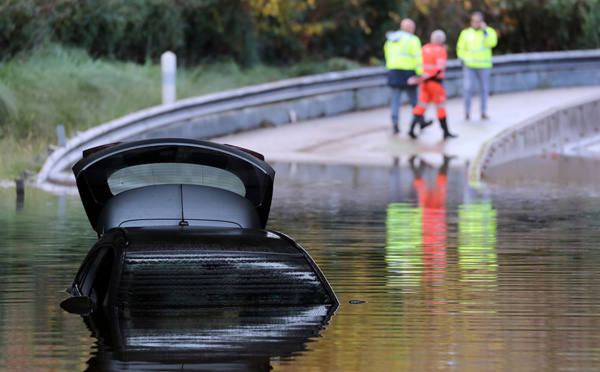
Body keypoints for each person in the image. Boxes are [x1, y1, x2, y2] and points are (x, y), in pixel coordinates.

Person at [408, 30, 456, 140]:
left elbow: (418, 64)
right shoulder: (441, 50)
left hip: (424, 82)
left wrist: (421, 77)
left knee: (421, 106)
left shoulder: (424, 49)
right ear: (442, 40)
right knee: (440, 107)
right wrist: (430, 77)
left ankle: (411, 130)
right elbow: (440, 68)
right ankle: (446, 132)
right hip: (435, 83)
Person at [384, 18, 423, 134]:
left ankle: (395, 123)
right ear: (411, 28)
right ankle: (420, 120)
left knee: (395, 100)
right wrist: (420, 74)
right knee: (414, 100)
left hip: (394, 72)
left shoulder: (390, 40)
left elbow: (387, 55)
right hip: (408, 72)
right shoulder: (412, 40)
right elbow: (418, 58)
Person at [456, 11, 498, 120]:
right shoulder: (465, 33)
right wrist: (463, 59)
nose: (476, 23)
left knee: (484, 89)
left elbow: (492, 43)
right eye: (474, 21)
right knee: (468, 88)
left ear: (482, 22)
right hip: (469, 66)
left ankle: (483, 112)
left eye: (478, 21)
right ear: (471, 22)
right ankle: (467, 112)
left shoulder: (489, 32)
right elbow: (460, 48)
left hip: (484, 66)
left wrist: (485, 31)